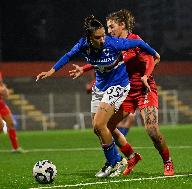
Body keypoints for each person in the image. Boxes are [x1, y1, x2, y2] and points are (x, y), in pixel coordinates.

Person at [36, 15, 159, 178]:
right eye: (97, 37)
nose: (102, 40)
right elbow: (67, 56)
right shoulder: (83, 45)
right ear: (89, 37)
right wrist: (52, 71)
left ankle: (114, 163)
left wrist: (155, 53)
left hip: (118, 85)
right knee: (98, 129)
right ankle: (128, 157)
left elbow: (138, 43)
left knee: (100, 124)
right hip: (100, 87)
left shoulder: (113, 43)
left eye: (103, 35)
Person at [70, 10, 174, 176]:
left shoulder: (134, 40)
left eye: (112, 27)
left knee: (152, 130)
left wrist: (146, 76)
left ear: (123, 25)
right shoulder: (113, 43)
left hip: (144, 89)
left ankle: (167, 161)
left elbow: (150, 58)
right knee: (107, 126)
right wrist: (84, 68)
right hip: (126, 91)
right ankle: (131, 156)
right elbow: (106, 61)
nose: (109, 31)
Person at [0, 71, 25, 153]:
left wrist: (5, 89)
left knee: (11, 124)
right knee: (1, 126)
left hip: (1, 103)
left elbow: (1, 84)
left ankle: (16, 148)